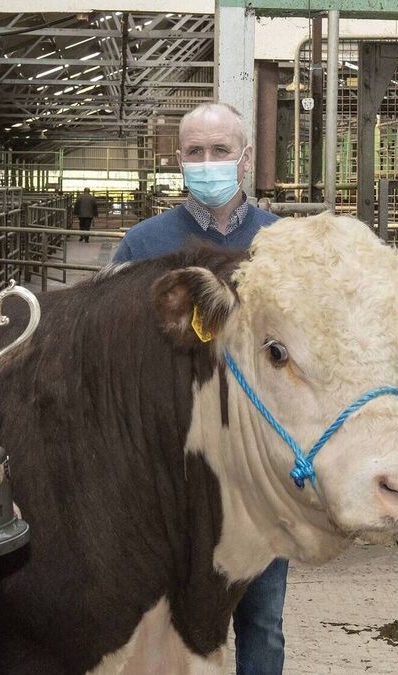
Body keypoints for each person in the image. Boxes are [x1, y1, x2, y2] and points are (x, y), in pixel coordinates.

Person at [110, 102, 286, 674]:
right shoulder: (144, 244)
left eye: (220, 151)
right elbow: (112, 352)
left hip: (258, 463)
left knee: (261, 616)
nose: (207, 162)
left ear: (245, 158)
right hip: (171, 465)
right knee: (167, 613)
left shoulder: (282, 243)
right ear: (179, 159)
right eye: (195, 152)